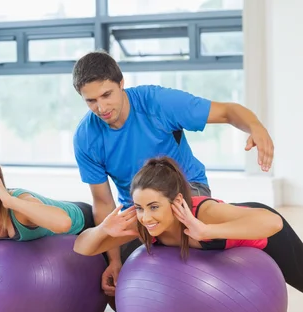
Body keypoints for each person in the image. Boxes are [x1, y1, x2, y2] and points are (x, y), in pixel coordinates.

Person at [71, 50, 275, 294]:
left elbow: (227, 111)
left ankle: (212, 221)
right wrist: (114, 260)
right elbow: (103, 202)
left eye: (107, 95)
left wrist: (256, 127)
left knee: (180, 229)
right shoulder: (86, 136)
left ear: (121, 83)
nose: (101, 107)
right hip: (138, 209)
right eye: (91, 101)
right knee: (121, 296)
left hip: (185, 189)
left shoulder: (157, 103)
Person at [74, 156, 303, 295]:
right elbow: (83, 248)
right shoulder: (144, 223)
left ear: (176, 202)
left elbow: (273, 222)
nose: (145, 217)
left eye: (154, 207)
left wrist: (206, 231)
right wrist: (103, 229)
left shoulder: (205, 213)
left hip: (259, 230)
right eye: (140, 207)